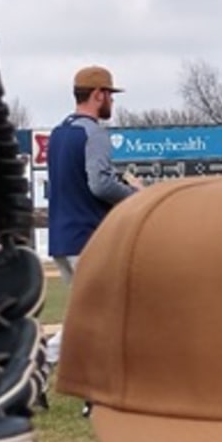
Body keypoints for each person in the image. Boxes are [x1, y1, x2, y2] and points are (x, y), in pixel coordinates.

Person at [45, 65, 140, 282]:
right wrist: (136, 194)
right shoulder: (94, 133)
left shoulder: (57, 134)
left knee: (83, 305)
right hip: (87, 239)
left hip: (60, 241)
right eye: (109, 94)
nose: (112, 101)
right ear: (98, 94)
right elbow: (100, 184)